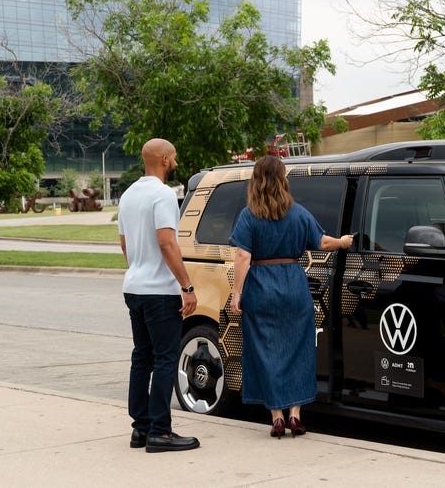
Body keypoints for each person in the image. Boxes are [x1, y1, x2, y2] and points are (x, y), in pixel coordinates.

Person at [228, 155, 353, 438]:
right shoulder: (298, 212)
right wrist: (343, 242)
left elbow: (242, 256)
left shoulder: (249, 215)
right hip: (294, 287)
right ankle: (296, 415)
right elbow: (321, 242)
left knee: (266, 352)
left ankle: (277, 417)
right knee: (298, 350)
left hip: (261, 287)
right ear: (283, 179)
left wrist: (237, 294)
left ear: (256, 181)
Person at [118, 138, 200, 453]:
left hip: (134, 287)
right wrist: (187, 286)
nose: (176, 162)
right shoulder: (163, 195)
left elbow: (125, 244)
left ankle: (140, 429)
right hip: (160, 292)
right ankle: (161, 432)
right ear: (164, 159)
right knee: (166, 358)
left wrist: (139, 268)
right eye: (174, 157)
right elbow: (167, 243)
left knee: (142, 356)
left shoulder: (127, 196)